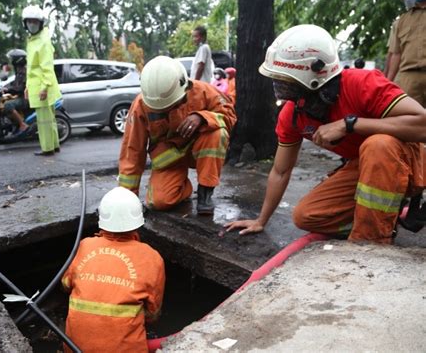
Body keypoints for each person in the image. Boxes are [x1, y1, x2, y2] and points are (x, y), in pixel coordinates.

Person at [225, 24, 426, 245]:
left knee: (378, 145)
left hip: (408, 162)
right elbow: (281, 171)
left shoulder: (361, 84)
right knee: (306, 216)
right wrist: (260, 220)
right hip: (365, 166)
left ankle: (371, 243)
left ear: (313, 73)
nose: (278, 86)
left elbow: (422, 125)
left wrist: (351, 125)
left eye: (285, 79)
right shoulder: (293, 114)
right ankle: (378, 219)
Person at [119, 55, 236, 215]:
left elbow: (229, 115)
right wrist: (127, 201)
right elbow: (132, 152)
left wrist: (202, 118)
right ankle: (182, 186)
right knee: (159, 202)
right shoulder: (140, 106)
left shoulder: (203, 91)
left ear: (185, 87)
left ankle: (205, 192)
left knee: (217, 133)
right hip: (169, 160)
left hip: (199, 149)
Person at [62, 186, 165, 352]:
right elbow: (153, 314)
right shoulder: (151, 257)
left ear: (101, 218)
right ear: (138, 220)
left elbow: (66, 285)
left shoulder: (84, 245)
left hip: (73, 348)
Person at [22, 5, 62, 156]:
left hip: (42, 88)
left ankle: (47, 148)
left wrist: (44, 88)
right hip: (38, 86)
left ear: (40, 23)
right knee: (50, 119)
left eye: (35, 21)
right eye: (29, 21)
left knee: (44, 121)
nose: (32, 24)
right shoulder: (34, 40)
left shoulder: (42, 41)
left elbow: (46, 67)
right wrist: (27, 86)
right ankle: (55, 145)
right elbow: (32, 68)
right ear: (25, 23)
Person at [387, 0, 426, 107]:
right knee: (408, 117)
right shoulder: (402, 20)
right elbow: (396, 53)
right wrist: (388, 83)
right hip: (408, 77)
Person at [1, 49, 29, 135]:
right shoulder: (19, 71)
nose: (11, 61)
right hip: (21, 96)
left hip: (26, 98)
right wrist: (5, 87)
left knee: (8, 105)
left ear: (17, 60)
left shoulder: (23, 72)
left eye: (12, 59)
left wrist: (8, 90)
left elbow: (20, 88)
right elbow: (14, 83)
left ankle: (22, 124)